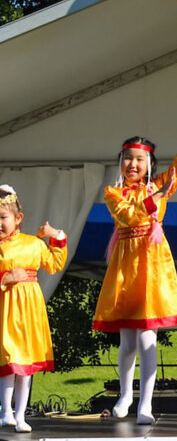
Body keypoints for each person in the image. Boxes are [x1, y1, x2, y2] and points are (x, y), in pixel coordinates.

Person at [93, 100, 177, 424]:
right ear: (121, 163)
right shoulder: (114, 193)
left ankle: (146, 404)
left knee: (148, 336)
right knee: (127, 338)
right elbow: (127, 216)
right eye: (128, 159)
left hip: (152, 264)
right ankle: (125, 395)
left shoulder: (160, 183)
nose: (132, 164)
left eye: (139, 159)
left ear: (149, 163)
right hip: (127, 265)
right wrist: (158, 196)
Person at [0, 185, 68, 433]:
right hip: (6, 310)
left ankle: (20, 415)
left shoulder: (33, 244)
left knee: (25, 365)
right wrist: (5, 279)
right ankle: (5, 410)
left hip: (29, 311)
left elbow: (55, 263)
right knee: (9, 359)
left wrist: (56, 234)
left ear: (18, 218)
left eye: (3, 218)